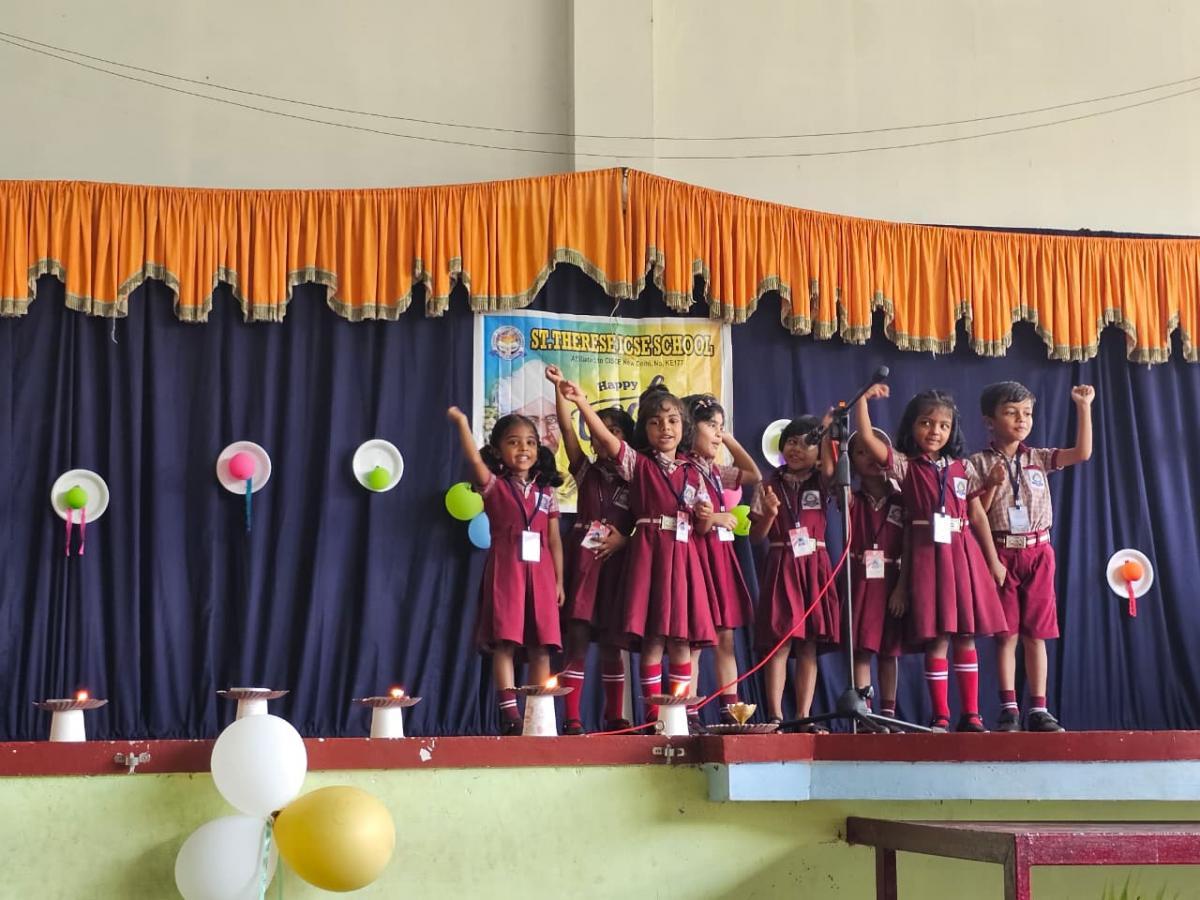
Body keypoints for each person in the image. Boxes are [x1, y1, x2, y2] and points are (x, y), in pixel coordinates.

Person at [557, 378, 716, 725]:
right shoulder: (638, 464)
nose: (665, 428)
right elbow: (605, 439)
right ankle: (654, 717)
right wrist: (581, 402)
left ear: (684, 426)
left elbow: (703, 526)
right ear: (644, 429)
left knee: (681, 637)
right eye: (655, 422)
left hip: (682, 558)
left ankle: (681, 717)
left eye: (673, 421)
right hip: (650, 556)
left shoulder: (694, 472)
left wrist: (707, 516)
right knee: (653, 639)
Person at [855, 386, 1008, 733]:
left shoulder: (964, 467)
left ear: (953, 429)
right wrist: (862, 400)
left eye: (943, 425)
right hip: (927, 557)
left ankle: (971, 715)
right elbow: (867, 438)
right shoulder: (906, 466)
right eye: (926, 423)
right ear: (911, 426)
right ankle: (940, 715)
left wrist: (993, 560)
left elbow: (977, 515)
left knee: (965, 635)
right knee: (937, 636)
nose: (935, 431)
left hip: (962, 554)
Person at [971, 381, 1095, 733]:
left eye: (1027, 413)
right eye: (1011, 413)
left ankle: (1039, 708)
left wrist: (1083, 407)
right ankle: (1009, 708)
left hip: (1039, 551)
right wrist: (992, 484)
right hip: (1001, 551)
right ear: (989, 420)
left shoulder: (1038, 458)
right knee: (1006, 634)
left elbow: (1082, 453)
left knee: (1036, 634)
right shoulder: (977, 463)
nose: (1021, 419)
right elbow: (977, 514)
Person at [447, 406, 565, 735]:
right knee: (505, 641)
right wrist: (462, 424)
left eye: (530, 442)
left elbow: (554, 540)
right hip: (507, 570)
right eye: (513, 442)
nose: (523, 448)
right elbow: (474, 461)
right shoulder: (494, 485)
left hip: (541, 574)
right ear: (498, 450)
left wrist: (559, 581)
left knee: (541, 644)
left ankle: (538, 713)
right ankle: (510, 714)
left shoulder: (546, 492)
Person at [545, 365, 636, 733]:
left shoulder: (636, 476)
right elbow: (568, 431)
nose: (603, 437)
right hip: (583, 561)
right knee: (578, 638)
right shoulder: (586, 471)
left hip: (617, 563)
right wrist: (559, 390)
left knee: (613, 643)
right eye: (599, 430)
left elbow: (647, 521)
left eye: (613, 431)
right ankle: (573, 718)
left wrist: (624, 539)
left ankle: (615, 716)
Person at [748, 415, 838, 730]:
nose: (797, 449)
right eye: (791, 442)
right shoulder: (767, 484)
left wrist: (825, 434)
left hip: (814, 564)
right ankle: (775, 715)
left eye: (806, 443)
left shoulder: (821, 481)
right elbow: (756, 537)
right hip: (782, 563)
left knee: (808, 644)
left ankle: (803, 716)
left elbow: (831, 471)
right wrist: (769, 515)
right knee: (780, 641)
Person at [683, 394, 762, 726]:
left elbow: (753, 474)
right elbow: (682, 515)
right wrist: (714, 518)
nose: (717, 433)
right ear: (690, 427)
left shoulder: (716, 470)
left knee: (725, 637)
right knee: (695, 639)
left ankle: (732, 713)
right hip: (696, 556)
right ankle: (688, 712)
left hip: (721, 557)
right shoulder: (683, 468)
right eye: (711, 426)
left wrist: (726, 438)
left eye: (721, 426)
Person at [847, 427, 907, 728]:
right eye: (861, 452)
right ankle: (865, 713)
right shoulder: (852, 498)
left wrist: (902, 588)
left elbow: (911, 545)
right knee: (862, 648)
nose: (870, 457)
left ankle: (888, 713)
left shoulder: (903, 499)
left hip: (892, 578)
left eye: (875, 450)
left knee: (888, 650)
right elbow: (831, 475)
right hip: (861, 579)